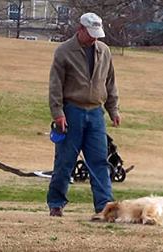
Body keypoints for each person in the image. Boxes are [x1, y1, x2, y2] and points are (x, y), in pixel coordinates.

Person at [47, 12, 121, 218]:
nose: (95, 38)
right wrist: (58, 113)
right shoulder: (63, 52)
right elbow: (55, 86)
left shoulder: (104, 51)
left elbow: (110, 83)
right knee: (65, 161)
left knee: (99, 161)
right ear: (80, 29)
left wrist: (113, 109)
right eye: (91, 33)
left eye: (97, 34)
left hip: (96, 113)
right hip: (72, 111)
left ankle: (104, 206)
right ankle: (56, 203)